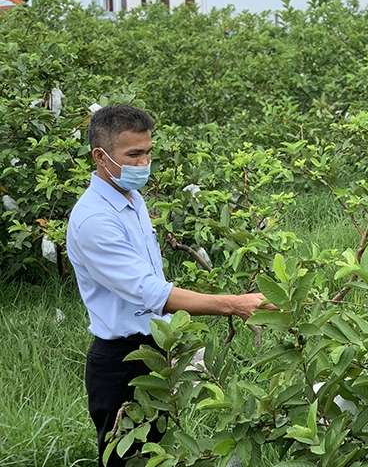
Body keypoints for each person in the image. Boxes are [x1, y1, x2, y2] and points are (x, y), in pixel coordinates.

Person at [66, 104, 269, 467]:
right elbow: (151, 292)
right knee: (128, 460)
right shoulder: (94, 220)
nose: (144, 164)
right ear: (100, 156)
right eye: (133, 155)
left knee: (158, 452)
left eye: (148, 153)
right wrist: (234, 304)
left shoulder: (132, 199)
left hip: (156, 346)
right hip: (121, 363)